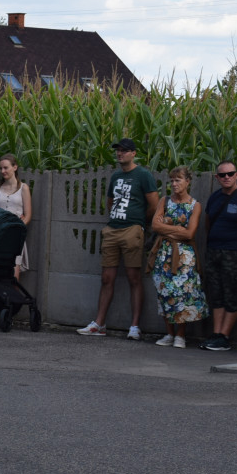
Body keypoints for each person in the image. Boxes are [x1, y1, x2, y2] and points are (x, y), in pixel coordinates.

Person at [78, 138, 158, 339]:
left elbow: (154, 206)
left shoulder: (143, 175)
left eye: (124, 151)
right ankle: (99, 323)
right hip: (113, 229)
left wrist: (139, 221)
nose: (120, 154)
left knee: (133, 278)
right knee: (107, 278)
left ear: (133, 153)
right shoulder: (115, 176)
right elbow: (110, 202)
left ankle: (134, 326)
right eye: (118, 151)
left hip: (132, 229)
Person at [199, 160, 237, 351]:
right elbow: (208, 222)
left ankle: (225, 336)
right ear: (217, 178)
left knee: (231, 293)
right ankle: (216, 333)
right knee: (216, 293)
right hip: (214, 251)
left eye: (230, 173)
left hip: (234, 253)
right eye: (222, 175)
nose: (227, 177)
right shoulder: (215, 197)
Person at [149, 166, 207, 348]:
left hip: (185, 256)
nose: (174, 184)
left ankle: (180, 335)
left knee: (183, 293)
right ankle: (169, 333)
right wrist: (177, 230)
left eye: (178, 180)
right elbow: (155, 226)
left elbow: (190, 233)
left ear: (187, 182)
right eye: (172, 180)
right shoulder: (164, 201)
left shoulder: (195, 205)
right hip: (164, 253)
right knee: (164, 291)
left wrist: (169, 229)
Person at [0, 154, 32, 279]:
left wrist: (17, 229)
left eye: (6, 168)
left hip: (15, 235)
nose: (3, 171)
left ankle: (13, 298)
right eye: (1, 168)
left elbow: (28, 215)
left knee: (14, 274)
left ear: (15, 167)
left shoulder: (23, 188)